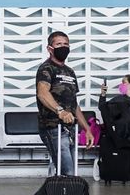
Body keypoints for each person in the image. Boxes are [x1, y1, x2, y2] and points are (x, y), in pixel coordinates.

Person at [36, 31, 94, 175]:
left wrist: (87, 129)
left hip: (70, 129)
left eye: (66, 44)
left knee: (71, 173)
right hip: (53, 128)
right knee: (67, 171)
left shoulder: (69, 72)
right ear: (50, 48)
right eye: (59, 44)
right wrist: (60, 111)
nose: (63, 47)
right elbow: (42, 93)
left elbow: (74, 104)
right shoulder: (46, 68)